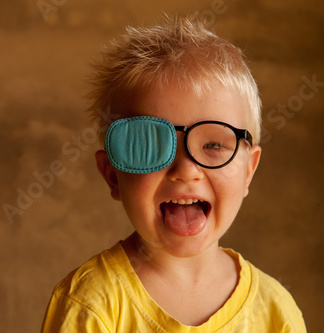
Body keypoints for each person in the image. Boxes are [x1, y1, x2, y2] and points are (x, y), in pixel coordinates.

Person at [41, 16, 306, 332]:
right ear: (112, 175)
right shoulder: (91, 304)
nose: (186, 170)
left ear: (248, 170)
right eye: (152, 146)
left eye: (212, 145)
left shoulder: (276, 311)